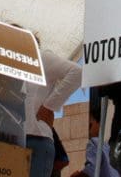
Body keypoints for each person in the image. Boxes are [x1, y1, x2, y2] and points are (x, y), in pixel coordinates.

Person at [25, 43, 82, 177]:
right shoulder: (7, 63)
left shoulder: (41, 57)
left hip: (35, 138)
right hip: (10, 138)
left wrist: (49, 106)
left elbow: (77, 73)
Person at [70, 113, 120, 177]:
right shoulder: (110, 146)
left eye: (90, 126)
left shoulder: (95, 142)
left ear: (100, 124)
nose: (88, 131)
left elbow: (90, 171)